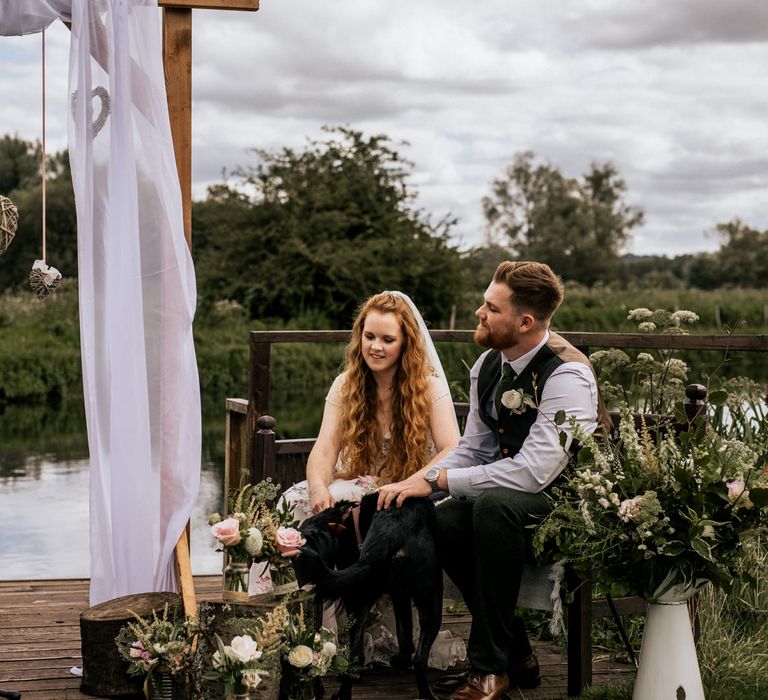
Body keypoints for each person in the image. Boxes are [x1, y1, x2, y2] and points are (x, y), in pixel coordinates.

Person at [377, 261, 612, 700]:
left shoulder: (567, 374)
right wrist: (423, 482)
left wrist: (443, 481)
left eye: (490, 307)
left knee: (491, 507)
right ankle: (516, 655)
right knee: (442, 520)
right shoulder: (488, 364)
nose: (478, 313)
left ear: (524, 322)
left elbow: (534, 471)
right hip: (510, 498)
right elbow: (474, 448)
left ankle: (488, 670)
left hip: (569, 502)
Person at [282, 290, 460, 521]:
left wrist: (409, 485)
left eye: (387, 340)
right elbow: (325, 448)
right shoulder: (345, 384)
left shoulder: (430, 387)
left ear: (406, 343)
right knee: (293, 502)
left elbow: (451, 449)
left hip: (414, 488)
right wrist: (318, 490)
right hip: (361, 483)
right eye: (369, 336)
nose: (376, 347)